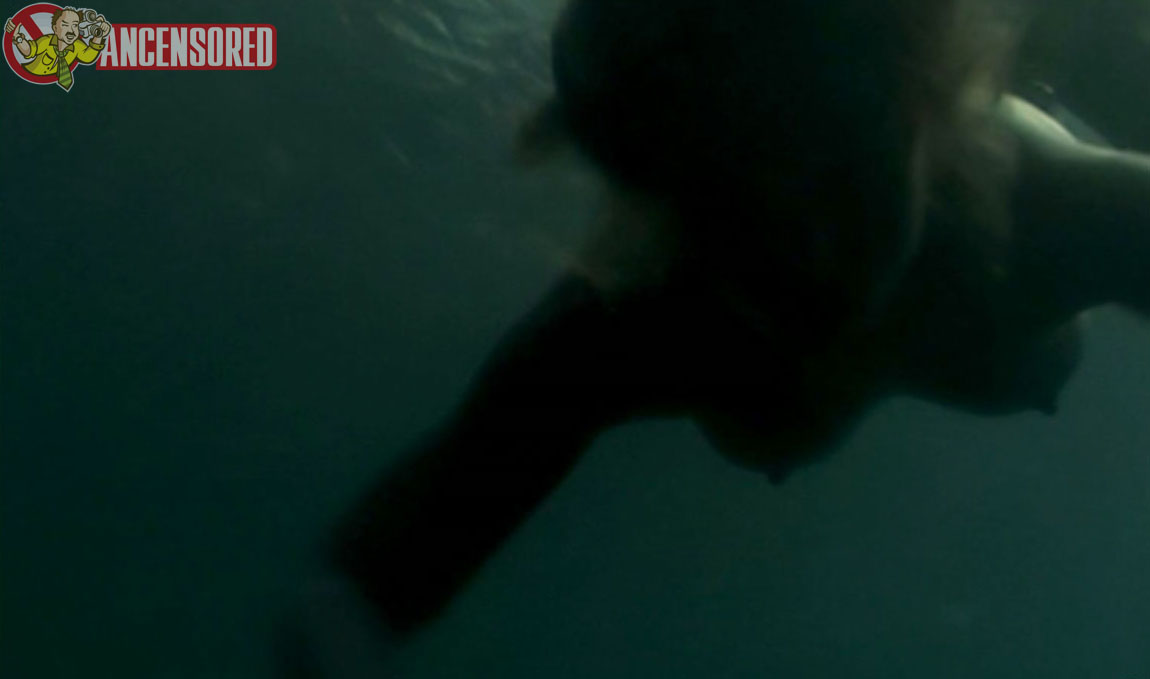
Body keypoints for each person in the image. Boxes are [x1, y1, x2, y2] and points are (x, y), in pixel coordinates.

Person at [284, 0, 1150, 673]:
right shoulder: (648, 310)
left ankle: (1069, 47)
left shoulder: (1061, 207)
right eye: (744, 212)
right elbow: (399, 552)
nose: (806, 253)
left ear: (917, 112)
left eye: (832, 184)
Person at [5, 7, 110, 91]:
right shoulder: (47, 41)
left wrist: (99, 35)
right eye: (65, 25)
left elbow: (88, 57)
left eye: (75, 26)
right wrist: (17, 37)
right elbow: (29, 51)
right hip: (27, 81)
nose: (71, 31)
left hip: (51, 89)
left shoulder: (77, 46)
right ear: (55, 29)